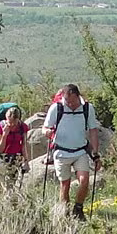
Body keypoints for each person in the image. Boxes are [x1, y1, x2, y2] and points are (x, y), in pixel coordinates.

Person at [44, 84, 100, 218]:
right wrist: (47, 132)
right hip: (61, 152)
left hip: (80, 151)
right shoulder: (57, 108)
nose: (69, 104)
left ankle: (78, 209)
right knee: (65, 185)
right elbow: (45, 128)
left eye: (72, 101)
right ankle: (65, 212)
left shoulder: (87, 108)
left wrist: (95, 153)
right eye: (67, 101)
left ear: (78, 96)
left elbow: (93, 130)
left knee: (84, 181)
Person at [0, 104, 28, 173]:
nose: (12, 125)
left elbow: (24, 145)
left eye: (15, 124)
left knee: (15, 177)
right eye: (10, 123)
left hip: (16, 156)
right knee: (5, 174)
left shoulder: (23, 127)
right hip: (2, 157)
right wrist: (4, 135)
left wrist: (26, 161)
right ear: (6, 118)